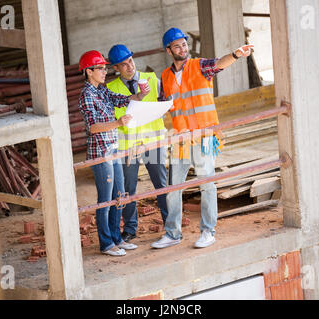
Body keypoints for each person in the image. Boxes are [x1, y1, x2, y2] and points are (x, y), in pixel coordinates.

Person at [151, 27, 254, 249]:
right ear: (169, 50)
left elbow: (219, 63)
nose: (183, 49)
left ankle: (208, 231)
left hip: (205, 136)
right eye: (177, 46)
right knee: (173, 187)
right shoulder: (166, 76)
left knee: (207, 184)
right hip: (180, 139)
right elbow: (164, 104)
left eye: (184, 44)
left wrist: (236, 54)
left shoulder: (199, 66)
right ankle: (173, 233)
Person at [78, 50, 150, 256]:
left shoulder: (102, 90)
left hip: (113, 148)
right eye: (100, 68)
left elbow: (122, 100)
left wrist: (140, 95)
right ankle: (106, 243)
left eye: (104, 67)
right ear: (89, 71)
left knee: (119, 195)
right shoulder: (86, 95)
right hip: (100, 153)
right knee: (106, 199)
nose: (104, 71)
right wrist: (117, 123)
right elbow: (93, 127)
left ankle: (117, 238)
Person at [106, 44, 168, 243]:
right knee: (128, 188)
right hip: (128, 144)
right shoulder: (110, 89)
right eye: (123, 65)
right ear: (116, 68)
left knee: (161, 184)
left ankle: (170, 224)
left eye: (130, 61)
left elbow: (164, 104)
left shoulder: (152, 79)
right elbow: (116, 115)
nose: (129, 66)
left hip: (153, 141)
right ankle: (131, 228)